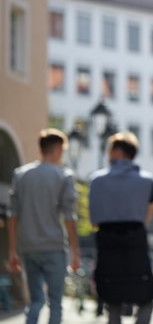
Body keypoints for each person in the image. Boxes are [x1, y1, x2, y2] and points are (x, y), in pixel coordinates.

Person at [7, 128, 81, 324]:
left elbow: (13, 215)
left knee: (36, 299)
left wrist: (12, 251)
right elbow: (69, 217)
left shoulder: (21, 175)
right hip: (55, 246)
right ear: (58, 149)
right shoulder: (64, 176)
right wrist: (75, 252)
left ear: (41, 150)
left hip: (29, 246)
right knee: (55, 302)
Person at [89, 132, 153, 324]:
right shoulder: (147, 180)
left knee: (112, 299)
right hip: (135, 240)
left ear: (117, 152)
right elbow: (147, 217)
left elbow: (93, 220)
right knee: (146, 297)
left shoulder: (96, 180)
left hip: (107, 240)